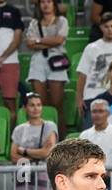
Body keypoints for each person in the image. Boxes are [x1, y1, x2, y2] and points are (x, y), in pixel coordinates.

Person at [76, 12, 112, 127]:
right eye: (106, 26)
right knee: (91, 140)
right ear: (101, 27)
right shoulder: (91, 48)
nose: (109, 30)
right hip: (92, 97)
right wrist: (79, 99)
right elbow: (83, 75)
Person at [25, 0, 70, 137]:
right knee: (40, 104)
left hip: (57, 60)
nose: (46, 4)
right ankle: (44, 138)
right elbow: (29, 44)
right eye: (43, 2)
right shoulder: (34, 22)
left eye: (49, 1)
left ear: (54, 4)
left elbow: (59, 40)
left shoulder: (61, 20)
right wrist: (51, 42)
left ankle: (62, 139)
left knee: (57, 105)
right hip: (38, 61)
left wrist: (39, 41)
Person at [11, 92, 59, 190]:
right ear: (25, 108)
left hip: (43, 173)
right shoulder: (19, 129)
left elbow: (47, 152)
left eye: (38, 105)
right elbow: (13, 155)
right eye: (32, 105)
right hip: (22, 173)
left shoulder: (49, 126)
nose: (36, 108)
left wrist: (24, 151)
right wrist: (37, 155)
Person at [80, 97, 112, 167]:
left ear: (108, 113)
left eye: (100, 111)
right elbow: (82, 160)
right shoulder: (84, 135)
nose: (97, 115)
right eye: (94, 111)